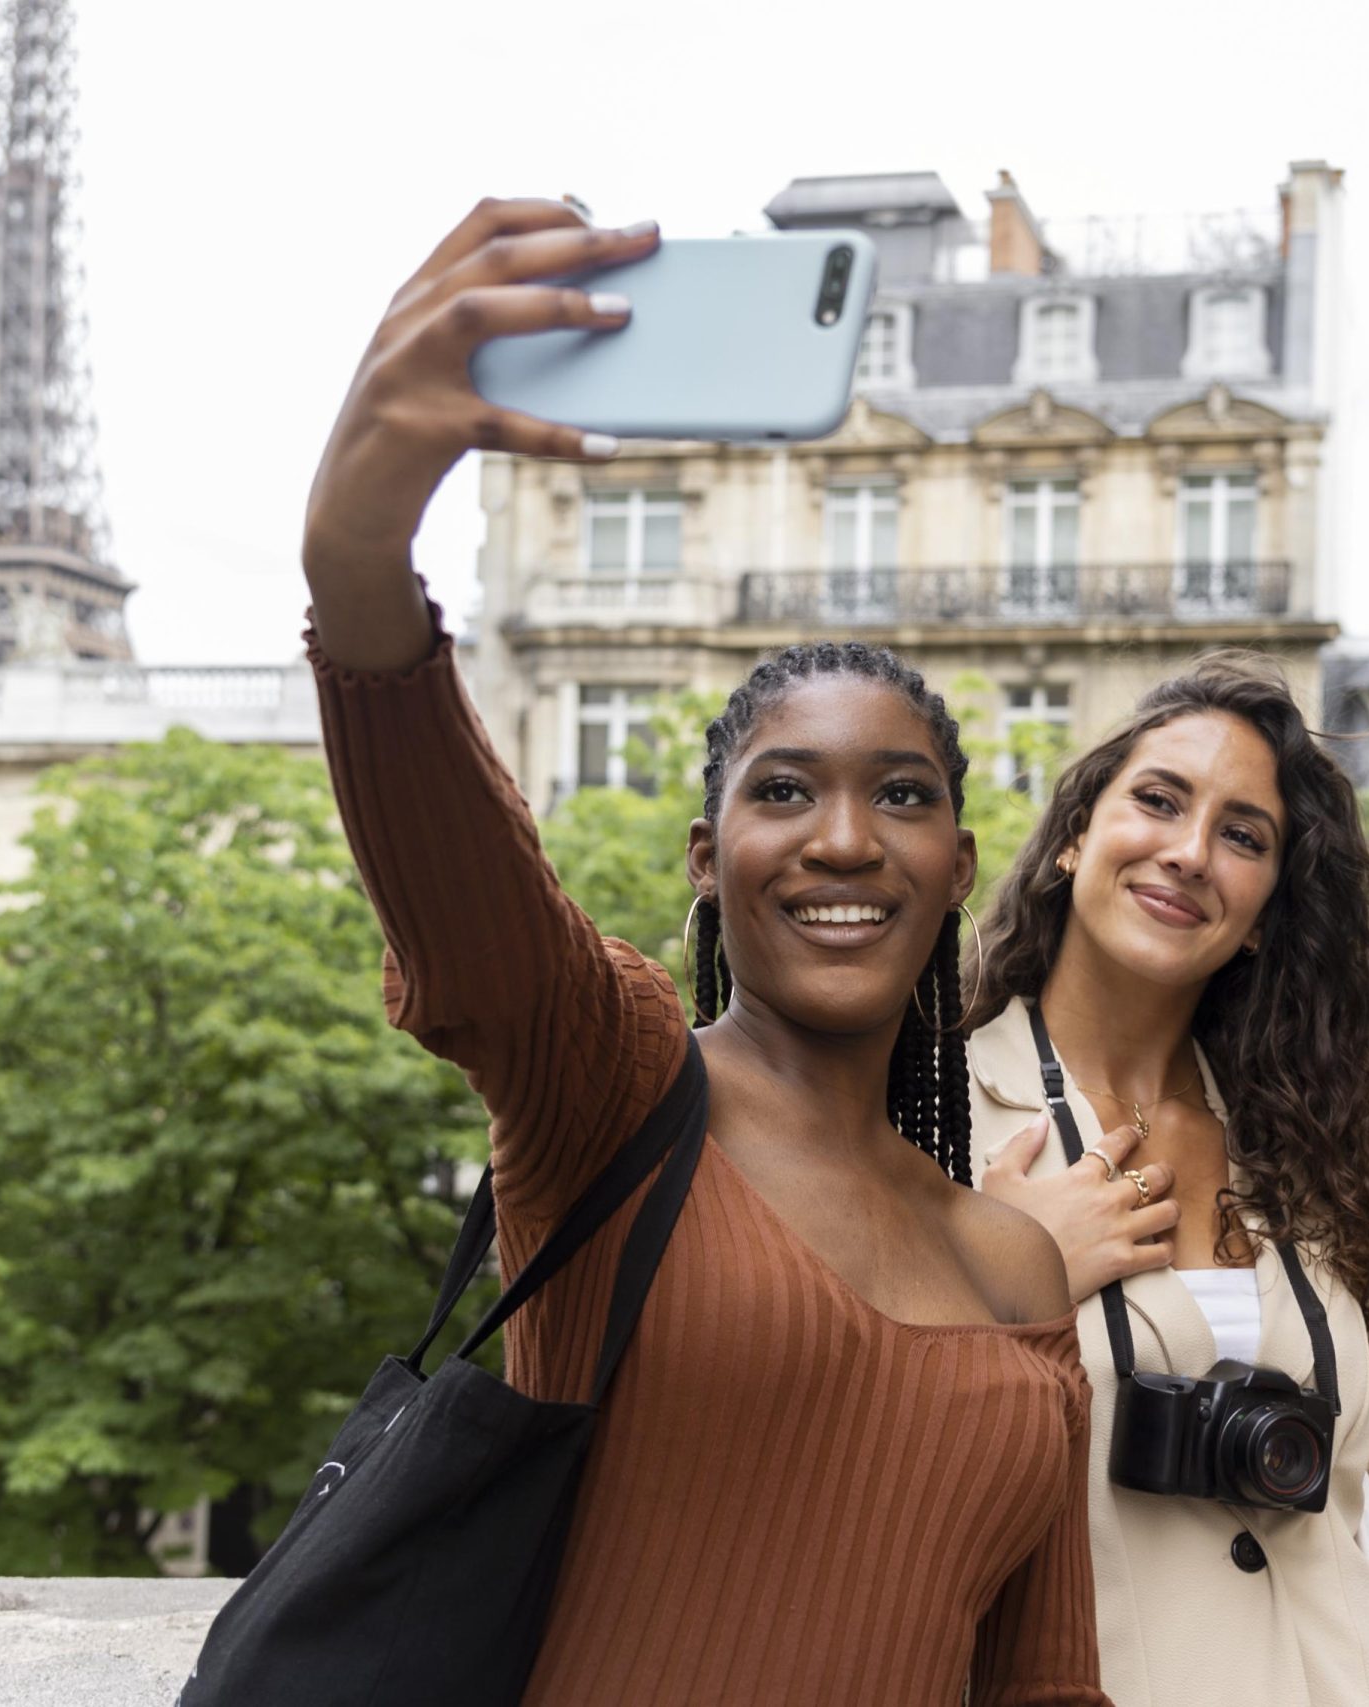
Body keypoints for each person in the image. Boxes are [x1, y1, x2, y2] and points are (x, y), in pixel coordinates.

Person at [300, 196, 1107, 1706]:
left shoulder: (1013, 1257)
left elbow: (1045, 1684)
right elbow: (469, 911)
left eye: (903, 796)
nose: (847, 838)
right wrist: (359, 545)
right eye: (785, 789)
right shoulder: (611, 1083)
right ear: (707, 859)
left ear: (955, 871)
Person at [963, 652, 1369, 1706]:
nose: (1188, 853)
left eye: (1242, 836)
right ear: (1076, 834)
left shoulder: (1324, 1155)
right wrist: (1010, 1269)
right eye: (1158, 802)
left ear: (1263, 912)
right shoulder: (938, 1111)